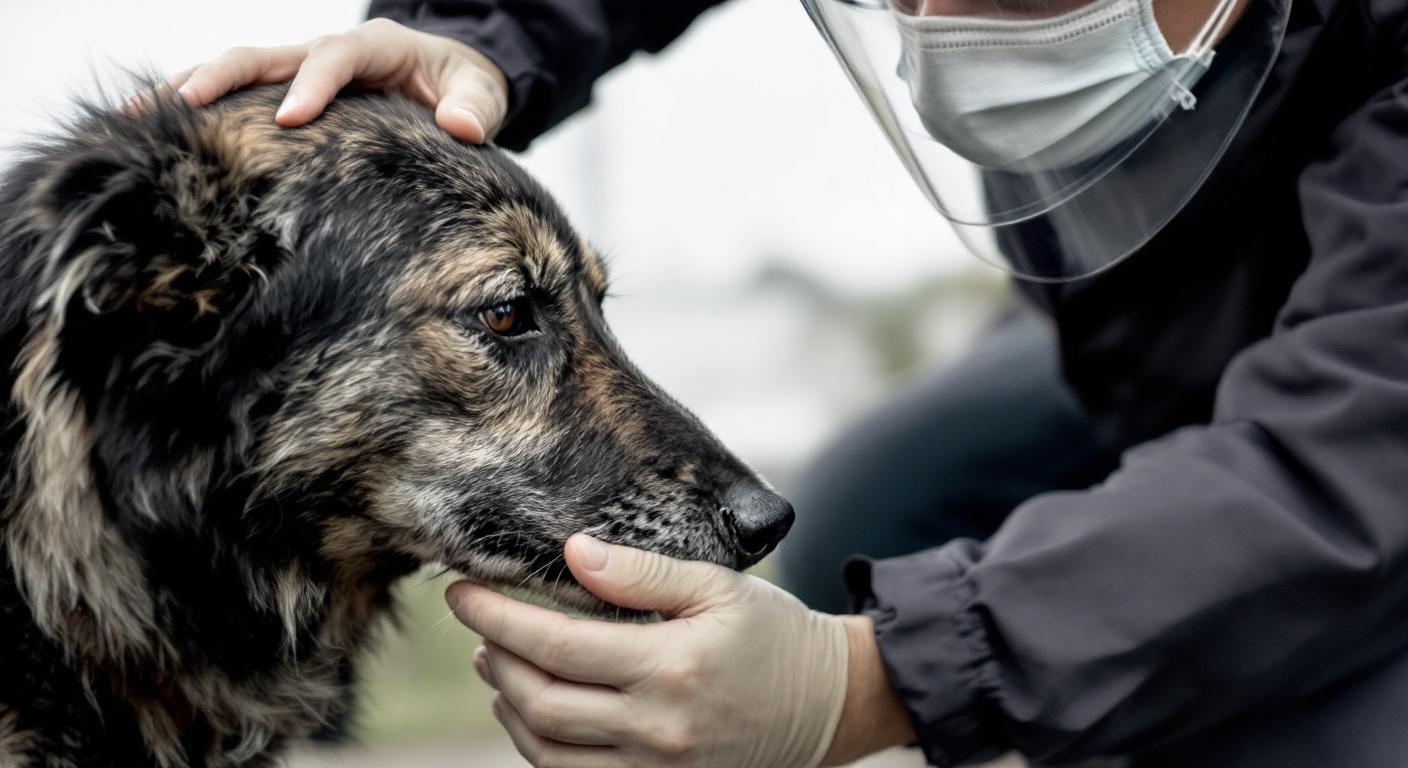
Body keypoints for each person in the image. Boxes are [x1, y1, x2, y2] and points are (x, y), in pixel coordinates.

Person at [171, 0, 1408, 765]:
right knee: (883, 503)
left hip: (1364, 420)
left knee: (1297, 723)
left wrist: (868, 685)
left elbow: (1347, 460)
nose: (935, 22)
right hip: (1138, 354)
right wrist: (474, 37)